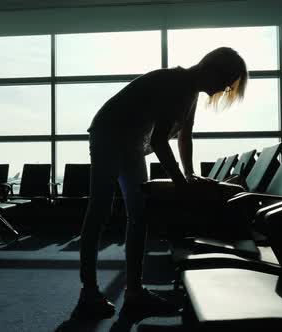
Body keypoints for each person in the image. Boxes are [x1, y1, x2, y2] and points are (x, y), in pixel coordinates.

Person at [73, 47, 249, 320]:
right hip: (109, 132)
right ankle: (89, 292)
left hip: (131, 139)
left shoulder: (189, 93)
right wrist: (180, 181)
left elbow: (184, 137)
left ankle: (133, 291)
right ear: (211, 68)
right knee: (100, 211)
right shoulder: (177, 84)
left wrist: (189, 175)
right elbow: (158, 141)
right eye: (225, 81)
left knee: (139, 214)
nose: (222, 89)